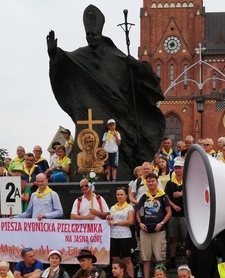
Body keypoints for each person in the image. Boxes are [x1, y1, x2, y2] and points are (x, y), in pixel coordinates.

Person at [47, 5, 164, 179]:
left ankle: (123, 172)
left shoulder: (114, 54)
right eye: (88, 35)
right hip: (89, 108)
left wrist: (137, 67)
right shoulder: (81, 55)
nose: (91, 37)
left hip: (117, 112)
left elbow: (145, 78)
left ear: (100, 33)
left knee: (124, 145)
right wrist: (53, 54)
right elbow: (66, 61)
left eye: (93, 34)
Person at [135, 172, 171, 278]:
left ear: (157, 182)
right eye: (148, 181)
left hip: (159, 230)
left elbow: (169, 212)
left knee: (160, 257)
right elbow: (137, 212)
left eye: (152, 181)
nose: (150, 183)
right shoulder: (144, 197)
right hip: (145, 230)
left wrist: (162, 223)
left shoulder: (163, 196)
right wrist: (140, 223)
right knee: (146, 257)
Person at [107, 186, 135, 278]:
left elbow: (130, 221)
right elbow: (110, 220)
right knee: (115, 259)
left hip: (125, 236)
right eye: (118, 194)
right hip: (113, 236)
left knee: (127, 259)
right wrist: (108, 219)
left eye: (121, 194)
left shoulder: (129, 207)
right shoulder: (112, 207)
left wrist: (115, 222)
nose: (119, 196)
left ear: (126, 196)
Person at [165, 156, 187, 268]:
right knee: (173, 237)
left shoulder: (188, 181)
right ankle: (173, 259)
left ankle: (189, 257)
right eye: (176, 168)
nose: (178, 170)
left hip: (186, 213)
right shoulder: (170, 183)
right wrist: (173, 205)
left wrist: (182, 194)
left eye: (180, 168)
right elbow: (166, 197)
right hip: (173, 214)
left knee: (186, 236)